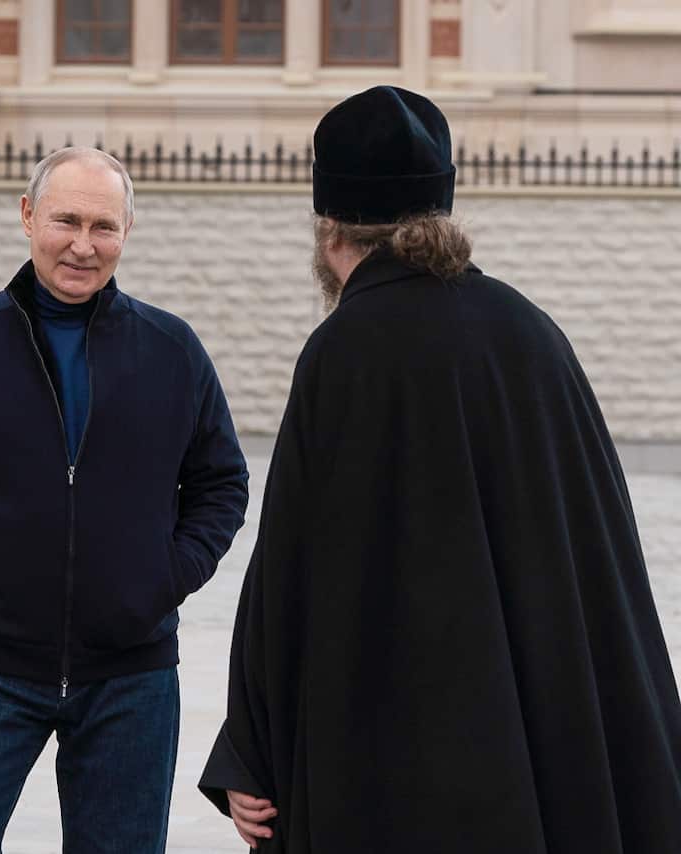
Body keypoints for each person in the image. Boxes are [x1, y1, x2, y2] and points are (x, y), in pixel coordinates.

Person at [200, 85, 681, 853]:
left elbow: (288, 569)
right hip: (539, 748)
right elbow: (602, 563)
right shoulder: (532, 334)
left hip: (384, 762)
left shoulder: (344, 351)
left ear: (331, 233)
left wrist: (248, 753)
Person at [0, 146, 249, 853]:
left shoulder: (172, 350)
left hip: (130, 677)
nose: (83, 245)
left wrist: (162, 580)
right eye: (67, 221)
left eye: (104, 226)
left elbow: (222, 483)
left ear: (126, 232)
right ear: (28, 217)